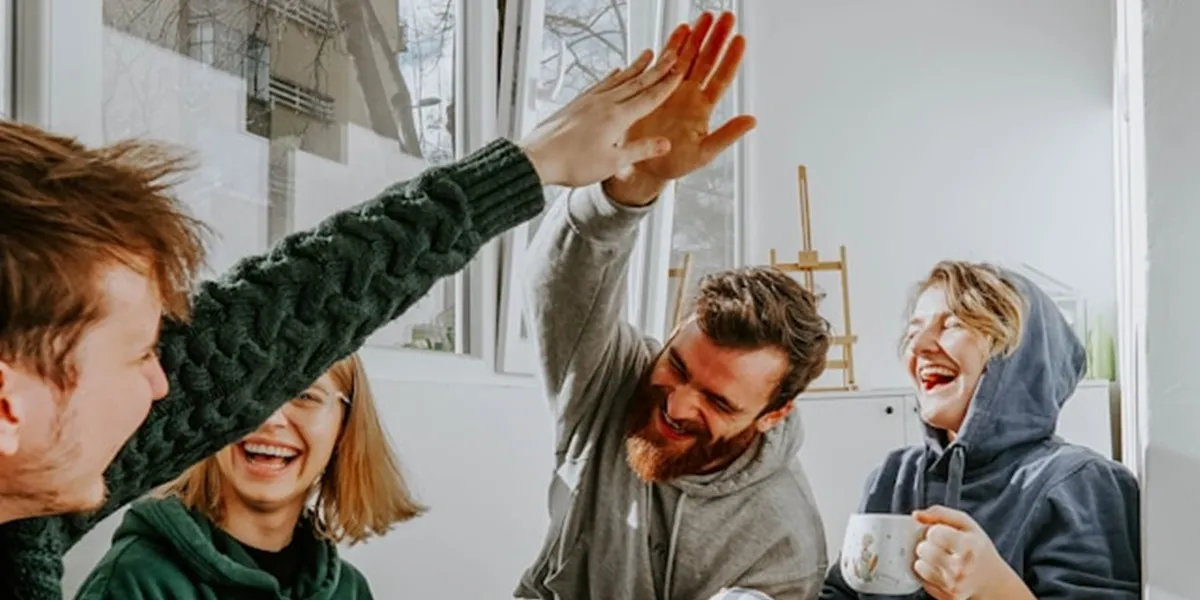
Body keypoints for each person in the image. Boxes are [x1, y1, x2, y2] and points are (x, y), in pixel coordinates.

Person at [0, 28, 694, 597]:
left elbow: (277, 316)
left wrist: (530, 164)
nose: (164, 383)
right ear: (8, 407)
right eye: (140, 354)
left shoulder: (24, 508)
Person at [515, 11, 831, 600]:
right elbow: (560, 287)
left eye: (719, 400)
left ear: (772, 415)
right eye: (678, 365)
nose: (678, 403)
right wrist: (634, 181)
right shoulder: (612, 385)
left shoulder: (784, 544)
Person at [820, 261, 1141, 600]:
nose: (919, 347)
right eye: (913, 332)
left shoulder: (1079, 483)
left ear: (1018, 355)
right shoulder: (894, 475)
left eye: (952, 324)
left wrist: (995, 588)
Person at [74, 353, 413, 599]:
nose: (271, 419)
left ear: (345, 426)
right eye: (251, 390)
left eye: (304, 395)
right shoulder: (135, 581)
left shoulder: (350, 591)